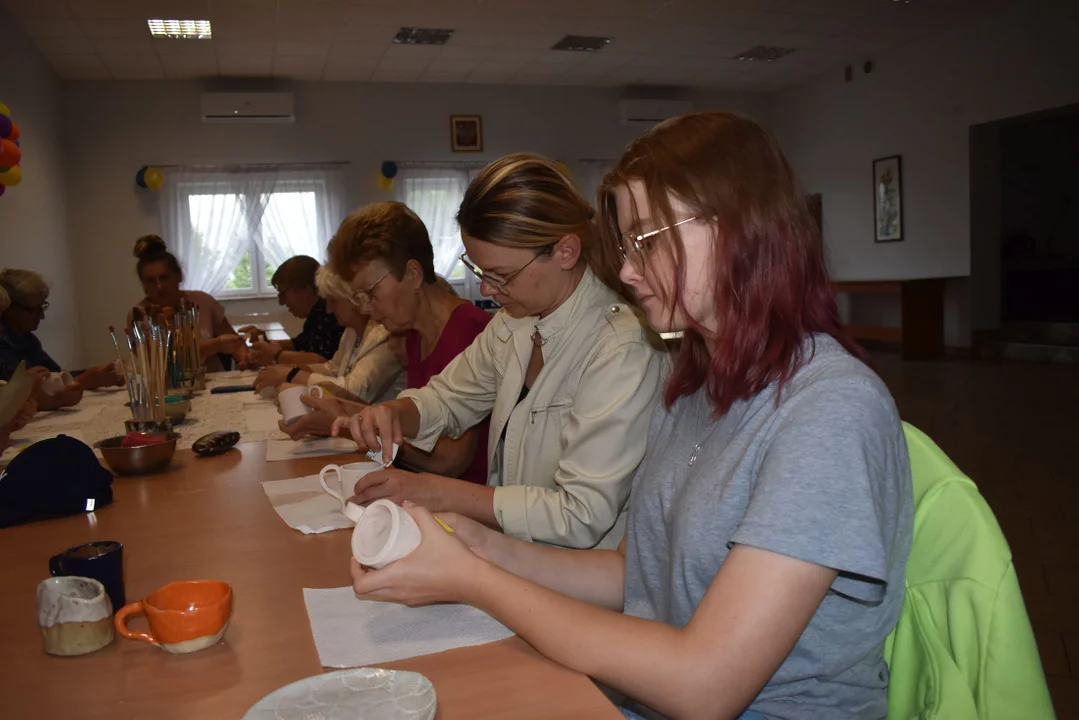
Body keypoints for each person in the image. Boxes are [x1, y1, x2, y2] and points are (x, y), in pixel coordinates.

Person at [345, 112, 914, 720]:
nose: (626, 270)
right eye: (626, 244)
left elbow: (707, 684)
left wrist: (474, 581)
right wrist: (480, 548)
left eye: (646, 240)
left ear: (740, 230)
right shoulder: (696, 389)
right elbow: (633, 575)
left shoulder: (829, 410)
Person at [334, 155, 668, 550]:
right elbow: (448, 397)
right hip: (517, 558)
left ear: (565, 251)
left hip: (582, 578)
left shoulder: (620, 349)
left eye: (500, 275)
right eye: (478, 271)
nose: (487, 291)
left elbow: (580, 514)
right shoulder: (514, 323)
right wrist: (395, 413)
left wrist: (438, 492)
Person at [289, 201, 493, 484]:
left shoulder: (471, 331)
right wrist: (340, 408)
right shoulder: (411, 334)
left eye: (371, 292)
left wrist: (351, 427)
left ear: (412, 274)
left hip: (464, 508)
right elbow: (411, 422)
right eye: (359, 296)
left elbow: (449, 463)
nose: (365, 308)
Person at [256, 267, 403, 405]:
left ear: (355, 298)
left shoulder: (385, 334)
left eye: (333, 301)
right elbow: (332, 369)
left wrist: (291, 374)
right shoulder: (351, 331)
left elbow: (356, 392)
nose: (328, 309)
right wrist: (290, 369)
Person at [0, 269, 119, 409]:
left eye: (42, 307)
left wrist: (95, 375)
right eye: (34, 310)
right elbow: (16, 399)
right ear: (9, 309)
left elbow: (55, 374)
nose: (42, 316)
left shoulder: (28, 339)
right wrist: (84, 380)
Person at [128, 235, 249, 372]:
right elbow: (163, 359)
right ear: (143, 285)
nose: (159, 287)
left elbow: (235, 343)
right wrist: (216, 345)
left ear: (179, 276)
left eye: (164, 278)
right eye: (150, 281)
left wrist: (247, 359)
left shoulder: (204, 302)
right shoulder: (138, 314)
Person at [241, 255, 344, 367]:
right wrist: (266, 343)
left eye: (282, 293)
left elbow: (322, 361)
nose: (281, 302)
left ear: (306, 290)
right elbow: (299, 344)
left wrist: (277, 354)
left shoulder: (326, 313)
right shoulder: (316, 313)